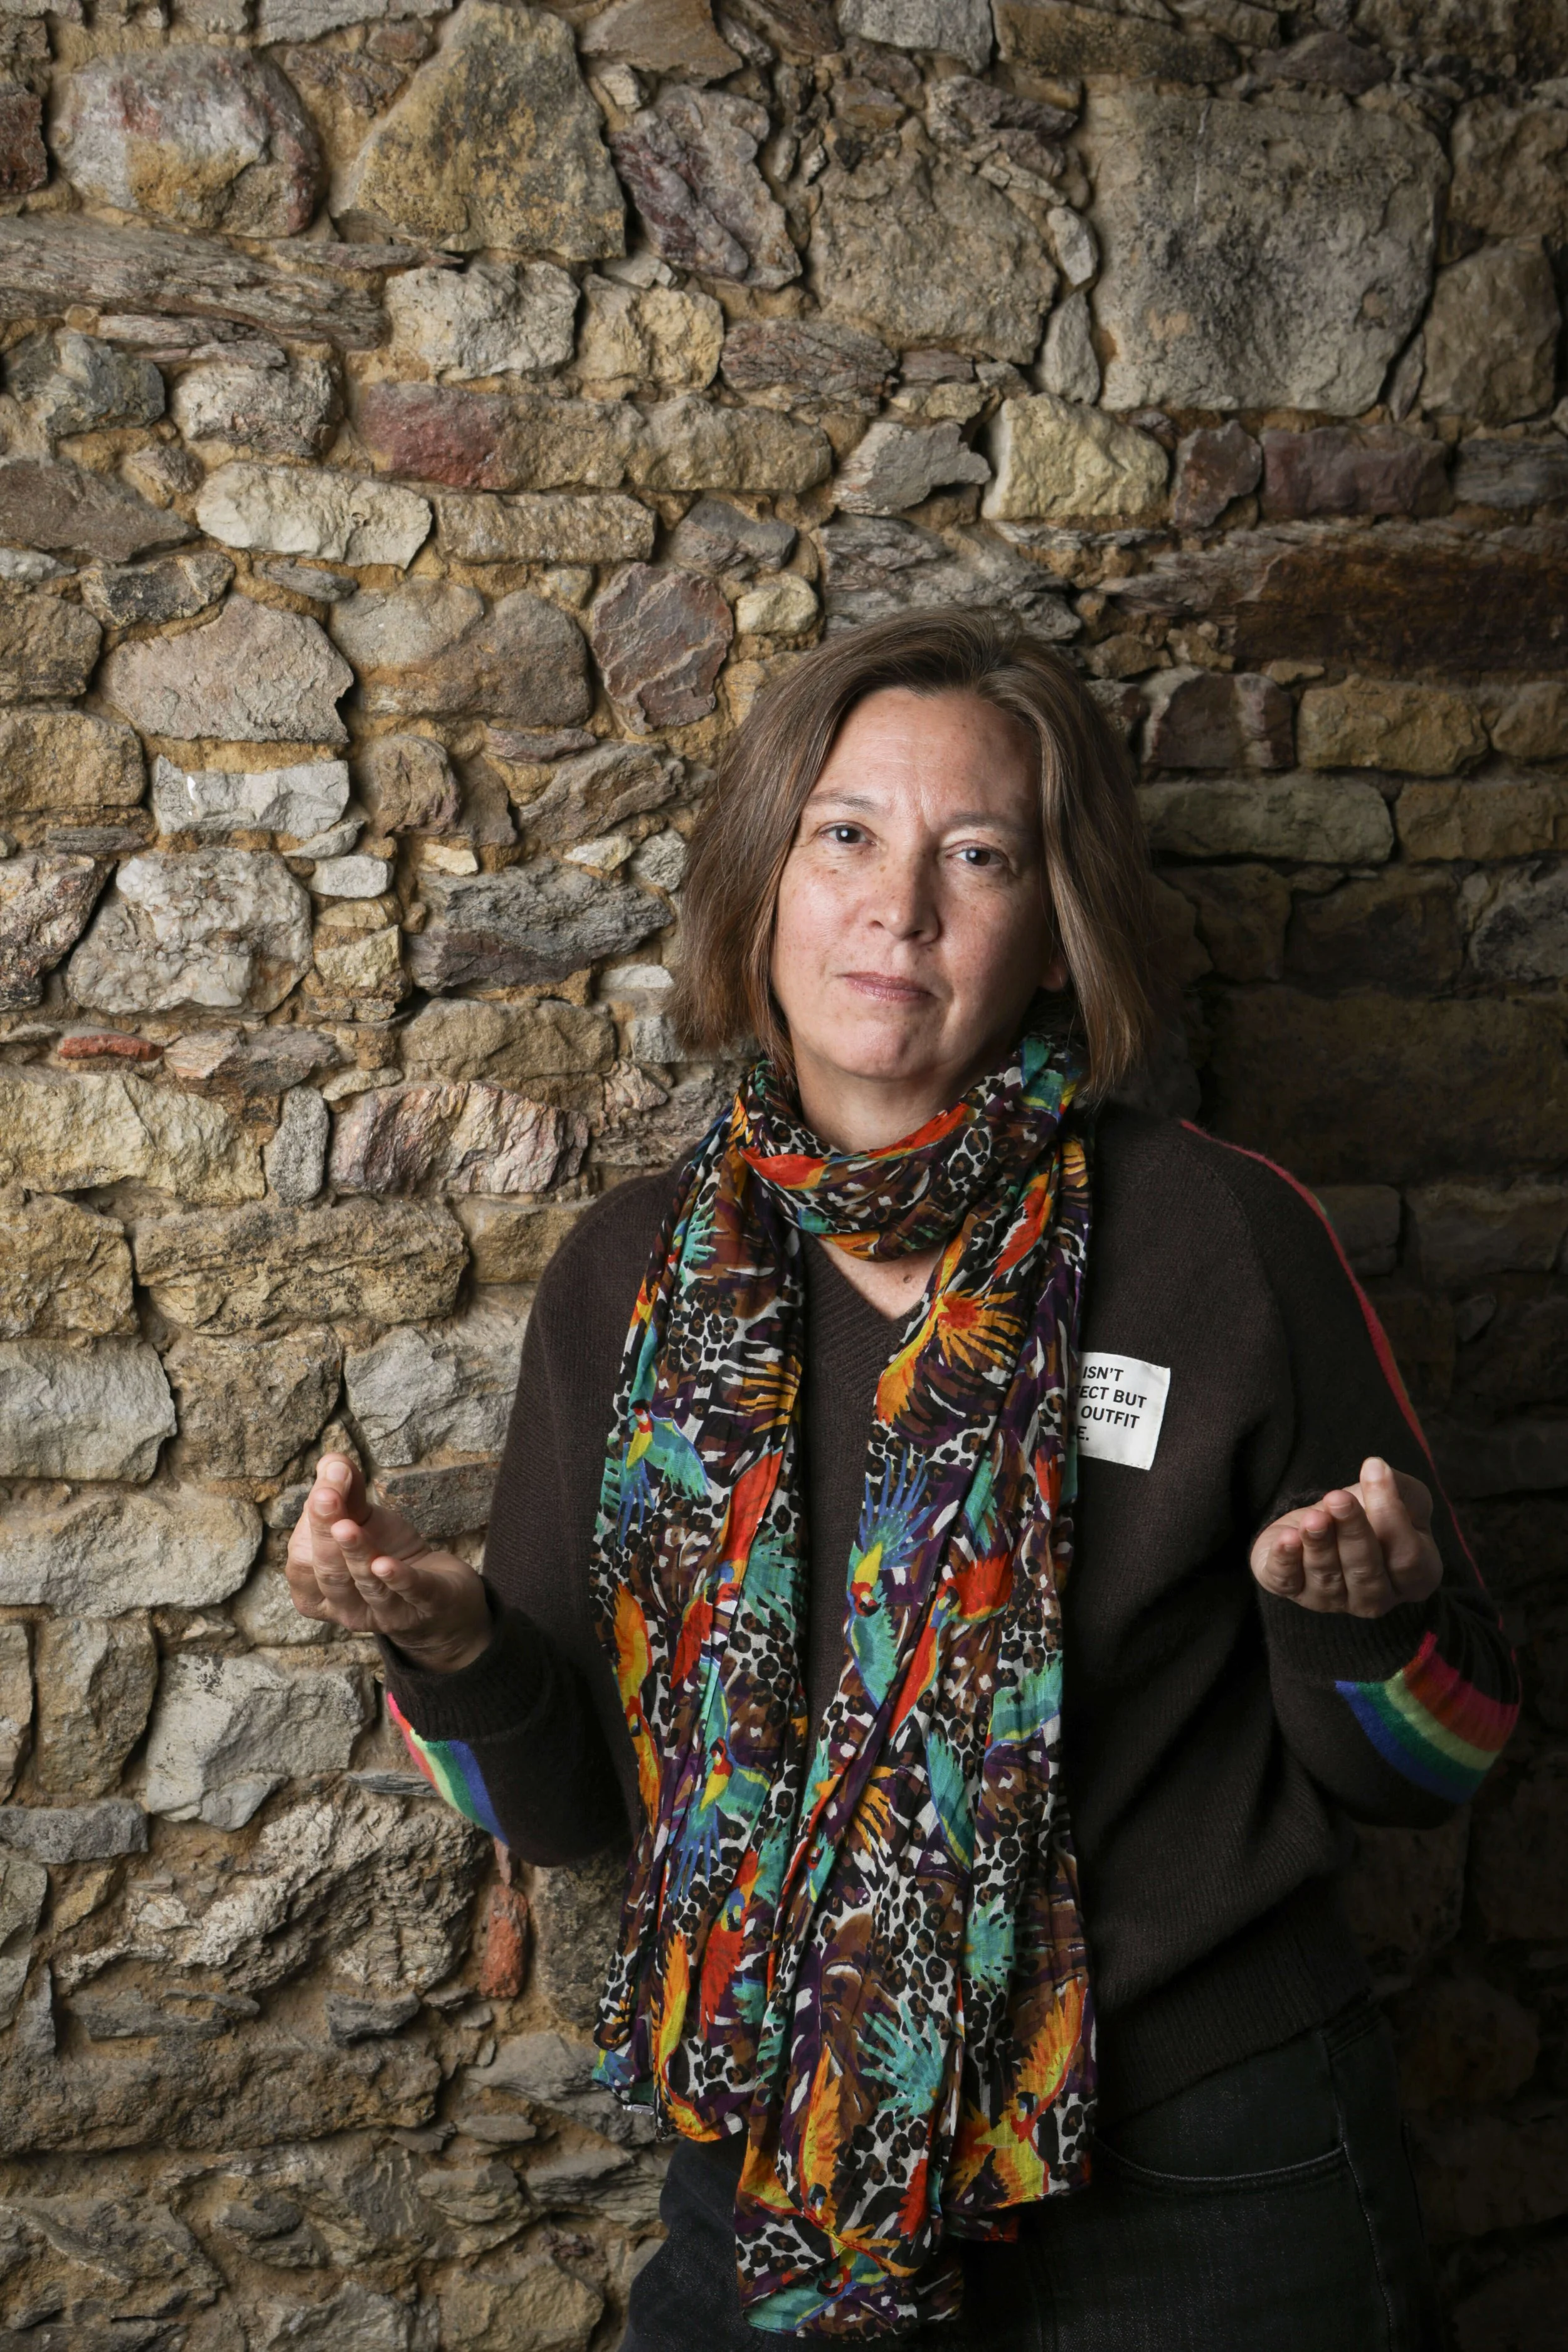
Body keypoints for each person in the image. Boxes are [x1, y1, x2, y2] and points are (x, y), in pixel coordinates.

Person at [286, 612, 1518, 2351]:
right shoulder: (626, 1278)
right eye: (846, 833)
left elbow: (1447, 1759)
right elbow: (562, 1816)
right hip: (773, 2155)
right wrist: (452, 1647)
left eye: (980, 853)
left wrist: (1362, 1636)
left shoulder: (1217, 1239)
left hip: (1203, 2184)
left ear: (1053, 925)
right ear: (763, 884)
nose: (900, 904)